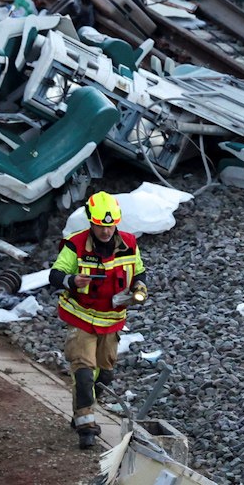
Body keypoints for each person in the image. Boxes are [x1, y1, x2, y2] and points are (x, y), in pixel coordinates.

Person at [47, 191, 146, 448]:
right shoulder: (75, 245)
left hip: (112, 320)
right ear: (91, 222)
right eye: (101, 226)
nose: (106, 231)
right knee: (83, 372)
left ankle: (82, 410)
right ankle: (86, 428)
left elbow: (139, 272)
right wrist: (72, 280)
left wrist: (140, 288)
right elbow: (55, 275)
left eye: (110, 226)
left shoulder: (129, 243)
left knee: (105, 375)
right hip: (82, 318)